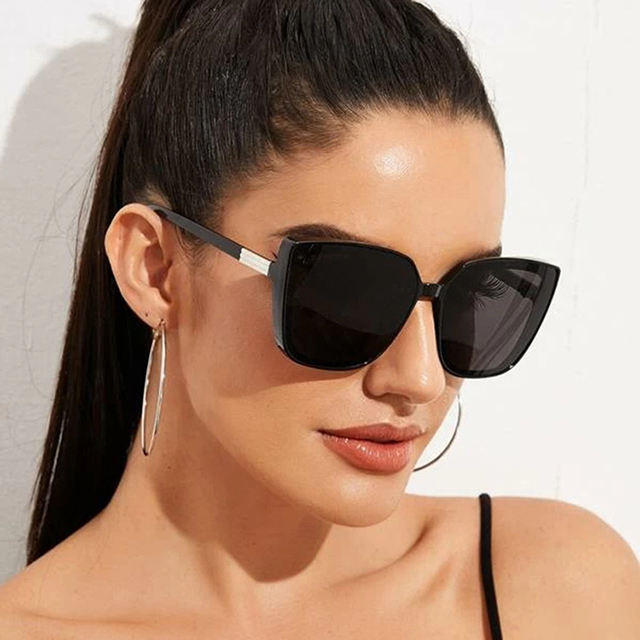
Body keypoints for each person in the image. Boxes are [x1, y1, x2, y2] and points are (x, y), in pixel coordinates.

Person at [1, 0, 639, 638]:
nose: (420, 378)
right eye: (347, 292)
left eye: (472, 295)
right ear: (155, 269)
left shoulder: (557, 591)